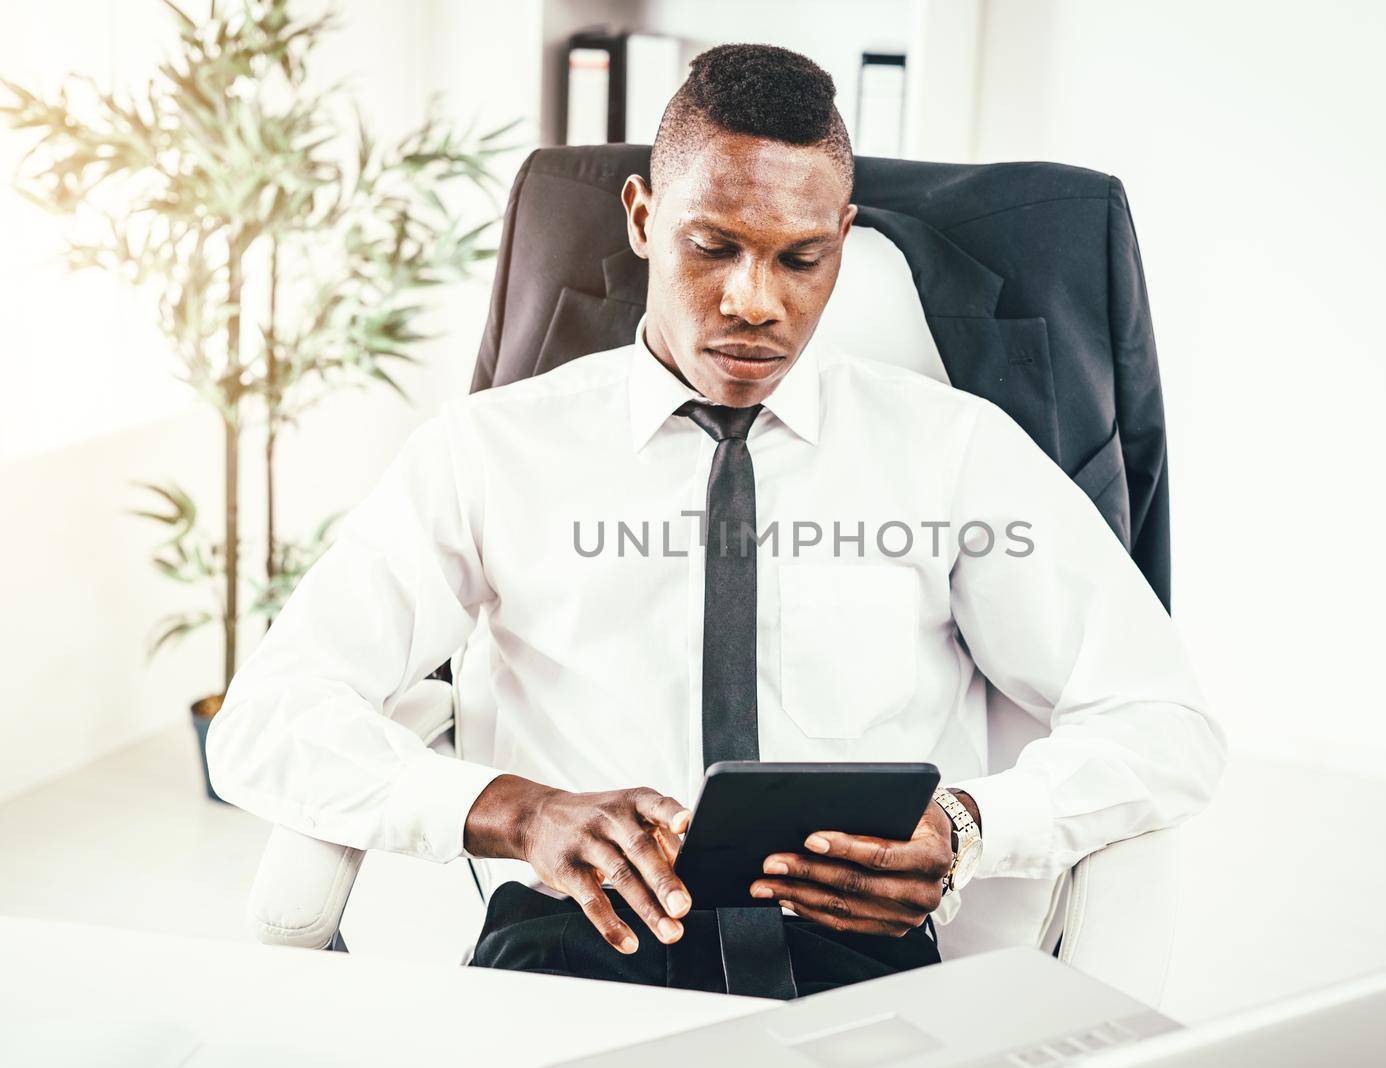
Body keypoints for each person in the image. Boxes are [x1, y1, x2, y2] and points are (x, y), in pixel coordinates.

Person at [208, 43, 1227, 998]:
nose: (754, 302)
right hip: (572, 950)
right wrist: (512, 813)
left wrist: (968, 826)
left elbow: (1163, 724)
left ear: (845, 241)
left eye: (801, 260)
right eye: (714, 246)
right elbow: (267, 721)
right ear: (644, 216)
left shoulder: (954, 451)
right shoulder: (487, 452)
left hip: (859, 957)